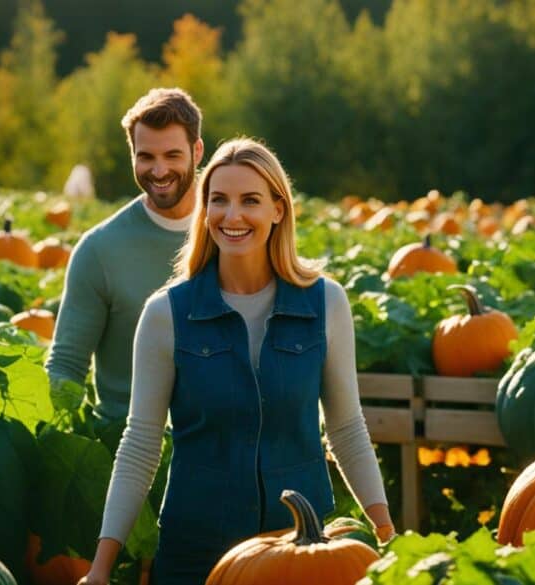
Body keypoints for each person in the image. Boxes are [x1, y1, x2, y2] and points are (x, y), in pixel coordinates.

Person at [80, 138, 395, 585]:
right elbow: (140, 445)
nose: (232, 216)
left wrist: (386, 534)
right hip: (196, 550)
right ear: (203, 212)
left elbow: (346, 430)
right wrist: (101, 567)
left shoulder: (326, 302)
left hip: (305, 550)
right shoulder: (166, 314)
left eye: (250, 200)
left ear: (278, 210)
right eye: (218, 200)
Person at [45, 88, 205, 440]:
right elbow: (66, 365)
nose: (159, 170)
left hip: (217, 444)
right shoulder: (99, 249)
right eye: (145, 156)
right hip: (124, 441)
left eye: (172, 155)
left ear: (197, 151)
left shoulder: (232, 231)